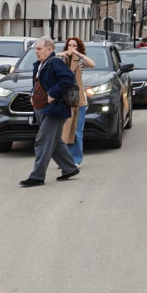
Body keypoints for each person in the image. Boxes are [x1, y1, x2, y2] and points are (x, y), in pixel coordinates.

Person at [21, 37, 80, 187]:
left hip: (55, 109)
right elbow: (38, 83)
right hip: (41, 109)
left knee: (43, 141)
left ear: (49, 49)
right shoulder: (41, 64)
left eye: (39, 49)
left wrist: (53, 93)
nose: (36, 52)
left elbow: (68, 79)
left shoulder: (55, 62)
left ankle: (37, 176)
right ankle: (70, 168)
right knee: (55, 142)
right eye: (35, 49)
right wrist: (32, 95)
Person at [57, 36, 96, 170]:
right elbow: (51, 62)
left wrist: (79, 55)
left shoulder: (79, 60)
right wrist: (61, 54)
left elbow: (92, 64)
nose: (71, 48)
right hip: (64, 100)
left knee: (77, 131)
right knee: (64, 131)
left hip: (78, 100)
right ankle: (65, 159)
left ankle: (76, 160)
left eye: (74, 46)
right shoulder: (62, 59)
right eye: (69, 46)